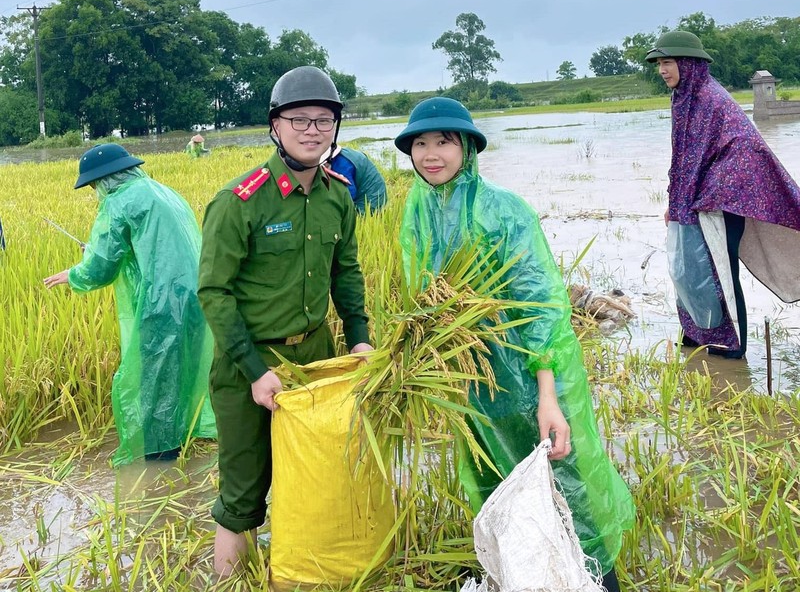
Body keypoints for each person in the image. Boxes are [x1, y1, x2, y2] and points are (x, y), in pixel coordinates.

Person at [394, 97, 635, 592]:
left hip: (529, 371)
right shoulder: (416, 211)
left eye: (444, 141)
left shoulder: (503, 210)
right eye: (420, 143)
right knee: (493, 481)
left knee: (564, 485)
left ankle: (600, 581)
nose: (431, 154)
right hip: (473, 378)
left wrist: (548, 394)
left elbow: (541, 305)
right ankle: (521, 574)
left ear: (468, 148)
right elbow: (425, 300)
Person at [197, 65, 373, 577]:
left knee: (311, 477)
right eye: (299, 119)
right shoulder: (239, 201)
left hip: (315, 359)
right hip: (248, 362)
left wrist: (359, 340)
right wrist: (255, 371)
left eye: (324, 120)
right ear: (276, 125)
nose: (312, 129)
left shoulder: (339, 195)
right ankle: (231, 582)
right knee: (243, 490)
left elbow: (347, 273)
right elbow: (214, 291)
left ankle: (301, 573)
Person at [43, 144, 217, 465]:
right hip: (197, 297)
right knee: (182, 371)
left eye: (95, 186)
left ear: (106, 180)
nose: (96, 193)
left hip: (162, 304)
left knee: (154, 381)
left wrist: (74, 273)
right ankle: (185, 440)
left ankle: (160, 463)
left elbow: (101, 267)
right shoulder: (164, 192)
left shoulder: (119, 202)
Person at [646, 31, 800, 359]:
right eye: (659, 63)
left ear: (688, 64)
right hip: (697, 201)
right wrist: (675, 203)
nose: (662, 70)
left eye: (668, 62)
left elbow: (741, 150)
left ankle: (732, 346)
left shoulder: (709, 100)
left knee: (720, 272)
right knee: (690, 269)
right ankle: (696, 332)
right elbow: (683, 157)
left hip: (721, 204)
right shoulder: (685, 97)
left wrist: (708, 194)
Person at [323, 145, 387, 214]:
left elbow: (348, 195)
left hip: (371, 199)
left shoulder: (342, 164)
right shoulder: (340, 156)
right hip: (369, 190)